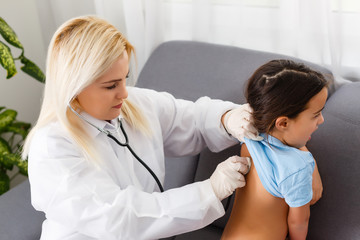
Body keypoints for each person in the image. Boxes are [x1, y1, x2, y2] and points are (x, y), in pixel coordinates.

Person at [22, 16, 261, 239]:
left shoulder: (132, 104)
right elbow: (121, 217)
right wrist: (210, 191)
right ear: (74, 87)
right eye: (110, 85)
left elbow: (192, 118)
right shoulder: (52, 147)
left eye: (125, 78)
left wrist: (228, 118)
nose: (124, 93)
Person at [221, 59, 328, 240]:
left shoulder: (248, 137)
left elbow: (286, 140)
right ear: (283, 122)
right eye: (316, 115)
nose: (321, 120)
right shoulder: (298, 167)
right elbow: (299, 222)